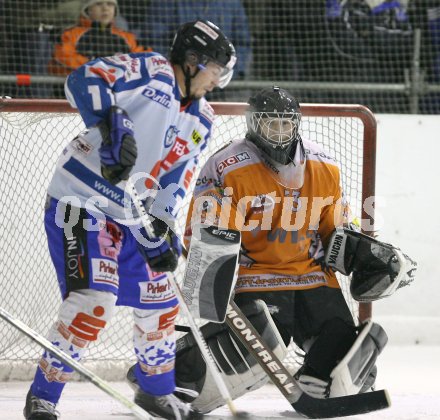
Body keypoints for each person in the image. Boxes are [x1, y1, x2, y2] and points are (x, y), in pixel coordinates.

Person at [23, 19, 236, 420]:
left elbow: (176, 180)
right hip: (80, 202)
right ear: (192, 61)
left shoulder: (203, 119)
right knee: (93, 302)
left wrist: (164, 226)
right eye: (215, 69)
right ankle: (43, 398)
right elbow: (83, 78)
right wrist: (112, 119)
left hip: (131, 214)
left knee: (161, 300)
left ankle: (157, 393)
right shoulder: (152, 70)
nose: (218, 80)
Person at [168, 86, 414, 413]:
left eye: (286, 123)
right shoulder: (227, 165)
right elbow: (205, 230)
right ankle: (173, 375)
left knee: (340, 369)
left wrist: (361, 249)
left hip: (313, 277)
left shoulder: (324, 164)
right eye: (272, 123)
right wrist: (213, 251)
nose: (280, 131)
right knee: (254, 350)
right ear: (254, 124)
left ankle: (314, 378)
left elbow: (336, 229)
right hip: (257, 277)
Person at [144, 0, 252, 97]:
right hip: (178, 80)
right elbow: (155, 39)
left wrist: (220, 74)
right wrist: (174, 69)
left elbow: (243, 42)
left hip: (223, 88)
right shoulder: (167, 3)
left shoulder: (232, 3)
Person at [48, 0, 147, 78]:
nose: (105, 8)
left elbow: (143, 60)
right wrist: (99, 68)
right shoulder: (70, 34)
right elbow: (63, 57)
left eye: (110, 4)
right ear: (87, 9)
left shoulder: (128, 38)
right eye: (99, 4)